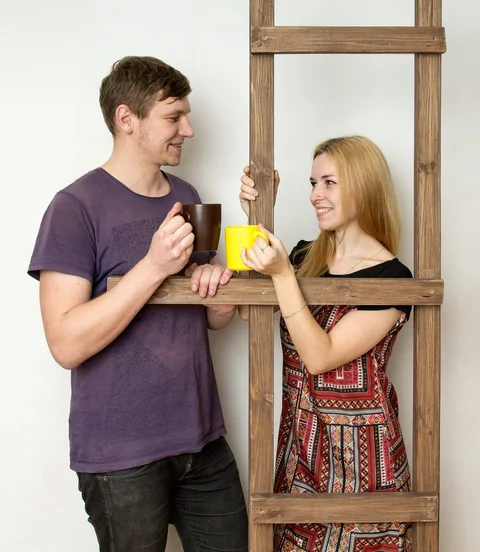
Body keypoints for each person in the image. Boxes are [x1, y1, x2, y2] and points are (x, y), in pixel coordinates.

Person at [28, 55, 248, 552]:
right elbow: (65, 343)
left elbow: (212, 320)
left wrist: (219, 288)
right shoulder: (74, 207)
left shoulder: (190, 197)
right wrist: (152, 267)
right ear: (127, 119)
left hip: (203, 442)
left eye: (186, 116)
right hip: (120, 456)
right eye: (174, 117)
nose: (188, 130)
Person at [239, 135, 412, 552]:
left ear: (363, 185)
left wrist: (282, 277)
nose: (316, 195)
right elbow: (248, 313)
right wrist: (256, 217)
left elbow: (320, 356)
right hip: (302, 450)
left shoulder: (392, 278)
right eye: (313, 183)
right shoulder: (302, 257)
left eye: (329, 182)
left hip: (366, 460)